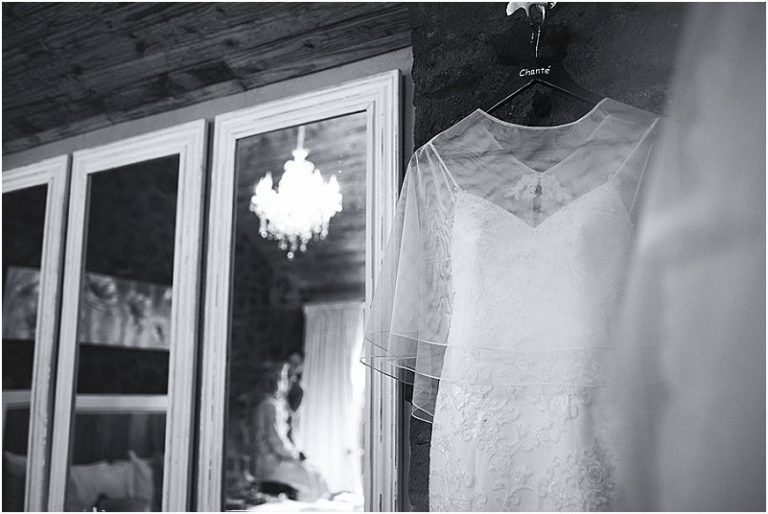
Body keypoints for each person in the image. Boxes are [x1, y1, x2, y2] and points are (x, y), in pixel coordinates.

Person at [251, 361, 328, 502]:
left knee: (315, 471)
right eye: (281, 378)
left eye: (283, 378)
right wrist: (296, 456)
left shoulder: (275, 404)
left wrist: (296, 456)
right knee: (313, 477)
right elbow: (276, 442)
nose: (284, 382)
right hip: (270, 465)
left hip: (275, 461)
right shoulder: (269, 406)